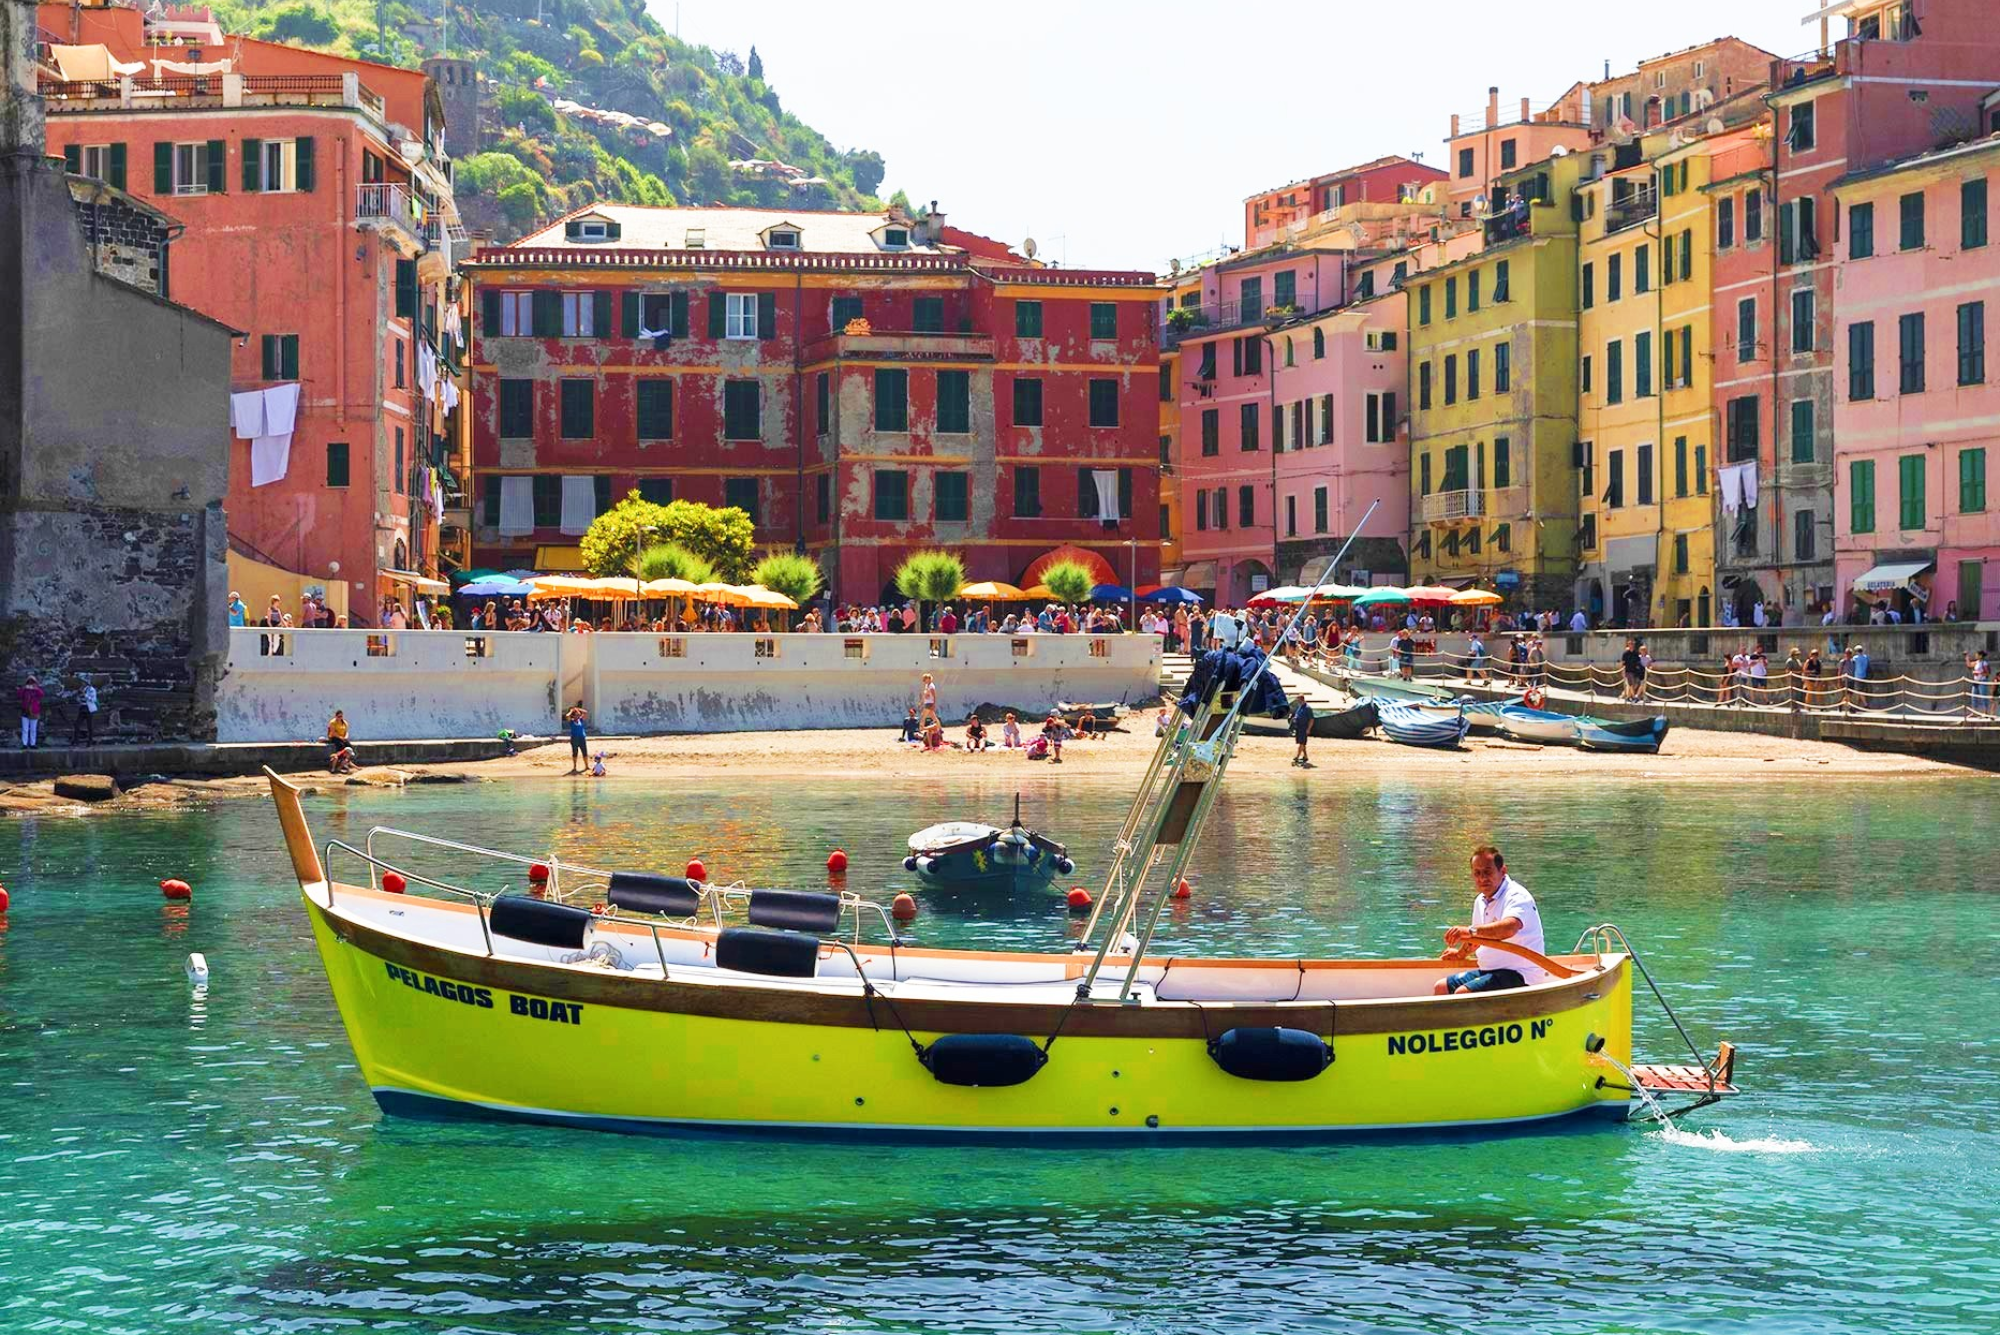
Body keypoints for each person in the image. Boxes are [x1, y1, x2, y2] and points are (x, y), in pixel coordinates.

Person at [1434, 845, 1547, 995]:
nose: (1482, 878)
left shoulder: (1517, 896)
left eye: (1487, 872)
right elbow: (1478, 937)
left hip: (1521, 974)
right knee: (1441, 987)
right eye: (1477, 873)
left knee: (1463, 993)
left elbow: (1508, 928)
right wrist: (1460, 954)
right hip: (1490, 971)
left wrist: (1468, 931)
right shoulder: (1480, 901)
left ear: (1503, 871)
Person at [17, 674, 43, 749]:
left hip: (34, 711)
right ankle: (24, 744)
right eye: (29, 682)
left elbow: (41, 694)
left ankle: (32, 744)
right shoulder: (25, 689)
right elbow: (19, 695)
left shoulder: (36, 689)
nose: (30, 683)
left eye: (32, 681)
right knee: (25, 729)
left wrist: (36, 688)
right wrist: (23, 688)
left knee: (33, 729)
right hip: (25, 711)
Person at [1289, 695, 1315, 769]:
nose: (1297, 702)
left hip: (1304, 728)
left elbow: (1311, 720)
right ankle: (1305, 756)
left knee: (1302, 743)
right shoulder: (1300, 707)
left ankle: (1297, 757)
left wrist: (1308, 729)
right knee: (1302, 743)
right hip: (1298, 728)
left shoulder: (1308, 708)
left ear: (1301, 700)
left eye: (1298, 700)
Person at [564, 701, 589, 774]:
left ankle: (586, 766)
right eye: (577, 715)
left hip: (582, 738)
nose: (578, 716)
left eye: (578, 715)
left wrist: (578, 709)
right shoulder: (571, 721)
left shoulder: (580, 720)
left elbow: (585, 712)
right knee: (575, 753)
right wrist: (571, 711)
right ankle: (574, 767)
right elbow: (567, 716)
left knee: (585, 752)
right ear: (573, 716)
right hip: (574, 739)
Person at [73, 676, 98, 744]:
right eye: (82, 682)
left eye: (83, 682)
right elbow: (79, 699)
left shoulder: (91, 689)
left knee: (90, 726)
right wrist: (78, 696)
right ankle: (76, 740)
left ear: (86, 683)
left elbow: (93, 699)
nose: (82, 683)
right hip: (82, 708)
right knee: (77, 724)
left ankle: (90, 741)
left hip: (89, 708)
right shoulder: (81, 689)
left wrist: (85, 695)